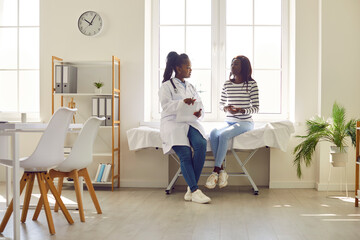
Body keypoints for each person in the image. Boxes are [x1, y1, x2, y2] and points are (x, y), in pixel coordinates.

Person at [159, 51, 211, 204]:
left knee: (201, 144)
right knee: (185, 153)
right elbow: (166, 106)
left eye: (190, 67)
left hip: (189, 121)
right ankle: (194, 190)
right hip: (173, 123)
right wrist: (182, 103)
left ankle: (191, 188)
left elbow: (200, 103)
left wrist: (199, 111)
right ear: (178, 68)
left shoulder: (191, 86)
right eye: (187, 67)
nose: (190, 70)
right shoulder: (167, 86)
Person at [205, 55, 259, 189]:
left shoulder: (251, 84)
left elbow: (256, 108)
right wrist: (226, 108)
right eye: (232, 64)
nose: (233, 66)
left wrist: (241, 110)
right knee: (213, 133)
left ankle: (215, 171)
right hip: (229, 121)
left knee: (223, 135)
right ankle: (222, 170)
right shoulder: (227, 84)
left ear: (244, 67)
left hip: (245, 122)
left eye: (236, 64)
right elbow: (221, 104)